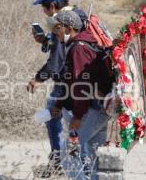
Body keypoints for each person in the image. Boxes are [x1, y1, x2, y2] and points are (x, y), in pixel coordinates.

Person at [28, 0, 87, 178]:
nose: (44, 13)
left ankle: (58, 165)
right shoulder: (77, 16)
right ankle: (78, 164)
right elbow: (62, 48)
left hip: (67, 85)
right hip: (83, 83)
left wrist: (38, 79)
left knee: (53, 119)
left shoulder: (60, 22)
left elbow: (56, 61)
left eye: (44, 8)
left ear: (52, 6)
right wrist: (45, 40)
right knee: (77, 125)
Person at [47, 10, 111, 180]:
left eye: (57, 28)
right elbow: (71, 81)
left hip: (91, 110)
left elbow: (81, 86)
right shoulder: (82, 45)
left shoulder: (79, 49)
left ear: (68, 28)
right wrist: (59, 104)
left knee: (68, 153)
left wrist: (77, 116)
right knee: (94, 157)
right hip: (100, 107)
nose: (54, 32)